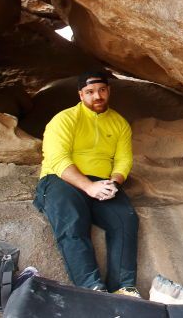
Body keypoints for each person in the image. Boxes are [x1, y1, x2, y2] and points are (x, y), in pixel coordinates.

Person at [33, 71, 140, 297]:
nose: (97, 96)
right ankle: (92, 288)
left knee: (125, 219)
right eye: (90, 92)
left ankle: (124, 288)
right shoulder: (64, 119)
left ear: (108, 91)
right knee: (73, 220)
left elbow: (123, 159)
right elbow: (58, 159)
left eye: (102, 90)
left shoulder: (120, 123)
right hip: (61, 179)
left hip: (101, 181)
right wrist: (89, 187)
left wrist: (114, 182)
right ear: (81, 95)